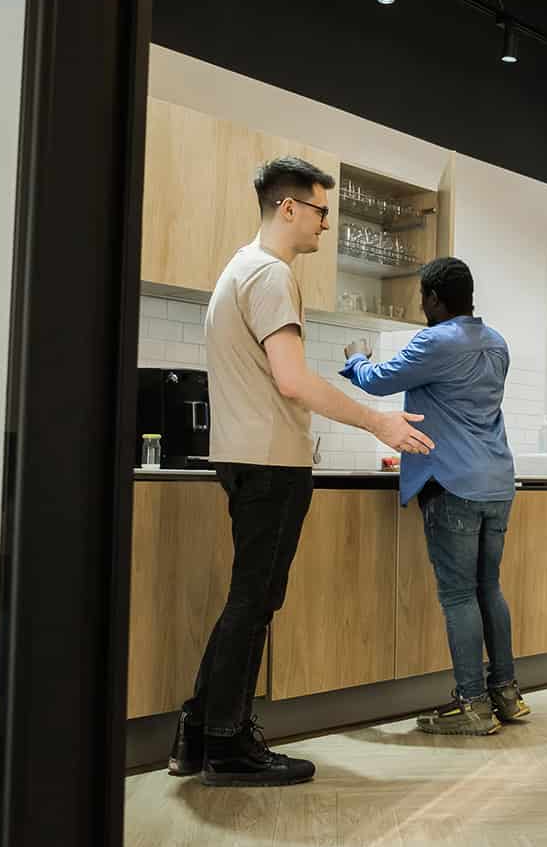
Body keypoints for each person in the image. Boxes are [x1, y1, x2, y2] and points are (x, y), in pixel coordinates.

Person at [169, 156, 435, 787]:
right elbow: (292, 379)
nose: (325, 224)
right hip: (270, 463)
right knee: (253, 602)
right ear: (287, 208)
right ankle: (229, 745)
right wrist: (377, 422)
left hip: (244, 457)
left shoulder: (239, 268)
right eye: (320, 210)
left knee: (248, 600)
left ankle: (200, 733)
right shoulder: (269, 275)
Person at [340, 257, 525, 736]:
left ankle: (471, 705)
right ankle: (506, 694)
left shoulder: (435, 340)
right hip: (497, 482)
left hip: (454, 481)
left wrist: (357, 357)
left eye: (423, 297)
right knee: (489, 587)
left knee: (460, 594)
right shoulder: (497, 343)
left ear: (434, 298)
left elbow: (378, 381)